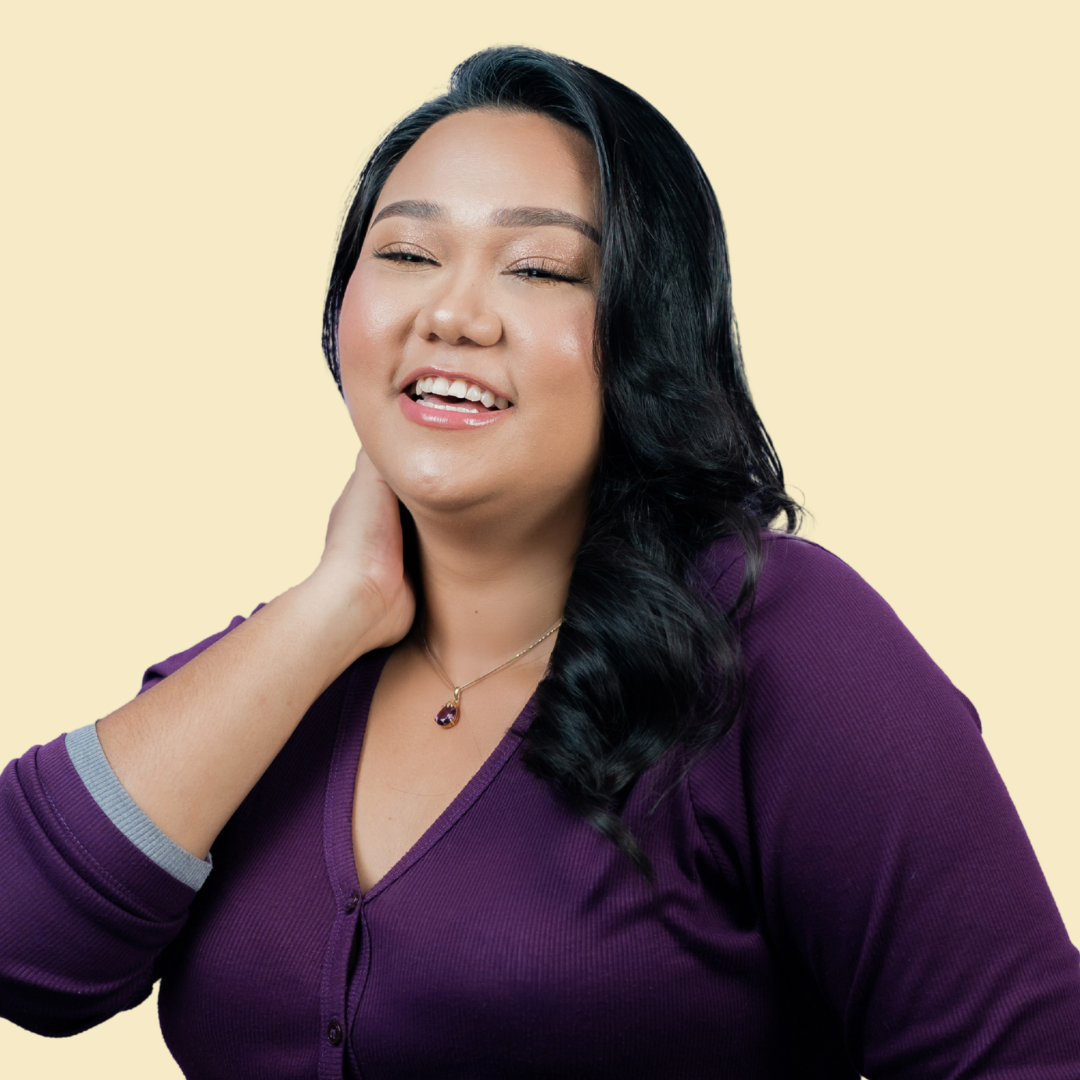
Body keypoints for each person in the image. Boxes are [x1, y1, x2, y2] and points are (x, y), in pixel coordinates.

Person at [1, 45, 1078, 1080]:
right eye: (408, 254)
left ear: (646, 333)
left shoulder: (780, 641)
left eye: (539, 268)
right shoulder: (278, 677)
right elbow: (27, 955)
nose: (454, 314)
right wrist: (338, 599)